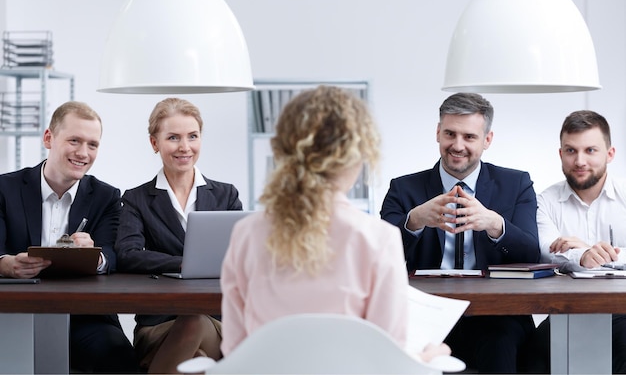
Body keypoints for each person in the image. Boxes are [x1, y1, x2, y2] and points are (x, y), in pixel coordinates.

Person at [220, 85, 450, 362]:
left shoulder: (246, 234)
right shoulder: (379, 239)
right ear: (358, 154)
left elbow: (234, 350)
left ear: (283, 150)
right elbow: (387, 361)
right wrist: (429, 357)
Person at [380, 92, 540, 373]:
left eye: (469, 137)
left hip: (498, 314)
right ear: (438, 133)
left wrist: (494, 224)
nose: (457, 145)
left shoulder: (516, 184)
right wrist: (413, 221)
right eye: (450, 134)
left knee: (500, 344)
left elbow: (531, 253)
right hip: (427, 313)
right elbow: (380, 258)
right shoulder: (403, 189)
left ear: (487, 140)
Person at [0, 101, 140, 373]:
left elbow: (112, 255)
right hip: (13, 312)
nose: (83, 153)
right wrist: (5, 264)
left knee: (118, 354)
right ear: (48, 138)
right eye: (74, 140)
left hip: (84, 316)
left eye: (92, 144)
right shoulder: (5, 188)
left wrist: (94, 255)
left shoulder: (106, 196)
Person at [115, 97, 243, 374]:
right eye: (173, 137)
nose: (185, 147)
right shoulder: (137, 199)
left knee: (195, 321)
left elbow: (242, 255)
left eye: (192, 136)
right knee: (194, 358)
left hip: (216, 322)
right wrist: (182, 264)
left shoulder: (226, 195)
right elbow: (128, 255)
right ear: (154, 143)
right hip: (158, 323)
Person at [535, 110, 626, 373]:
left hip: (623, 310)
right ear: (560, 154)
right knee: (530, 357)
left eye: (590, 150)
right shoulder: (545, 200)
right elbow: (545, 252)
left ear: (609, 154)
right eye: (571, 151)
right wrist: (584, 256)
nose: (580, 160)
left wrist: (587, 250)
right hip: (565, 313)